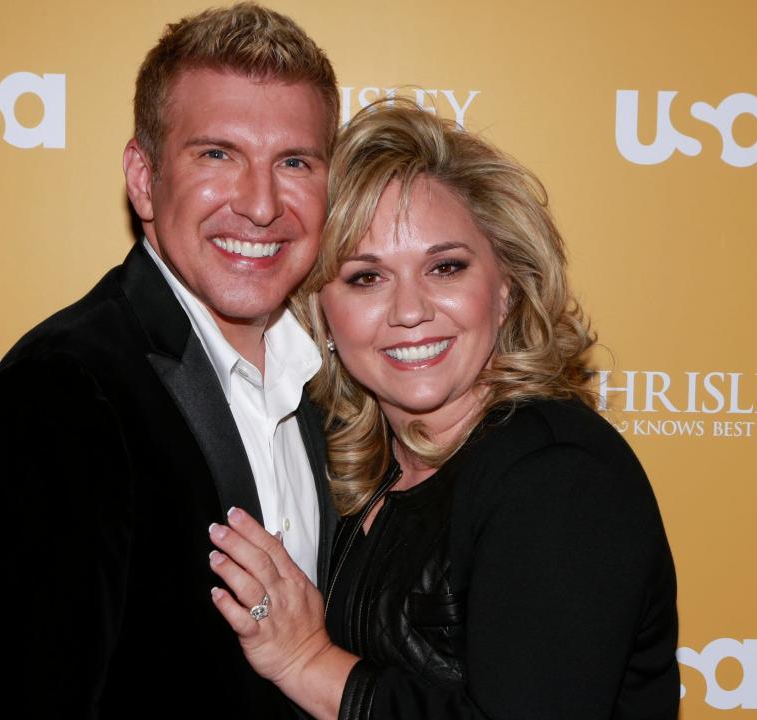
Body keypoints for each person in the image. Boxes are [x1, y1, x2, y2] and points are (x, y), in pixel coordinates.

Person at [208, 100, 680, 720]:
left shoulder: (557, 477)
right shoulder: (359, 472)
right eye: (365, 278)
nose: (410, 310)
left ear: (506, 287)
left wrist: (305, 661)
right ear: (320, 311)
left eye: (445, 267)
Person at [0, 4, 340, 717]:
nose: (259, 204)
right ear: (143, 177)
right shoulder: (61, 395)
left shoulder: (331, 387)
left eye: (294, 162)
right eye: (217, 154)